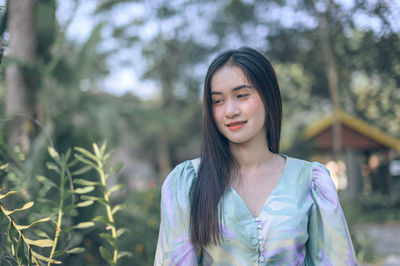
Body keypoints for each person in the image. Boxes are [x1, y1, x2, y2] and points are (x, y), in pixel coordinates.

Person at [154, 47, 356, 265]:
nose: (230, 110)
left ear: (268, 97)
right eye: (218, 101)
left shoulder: (311, 181)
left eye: (241, 96)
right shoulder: (188, 182)